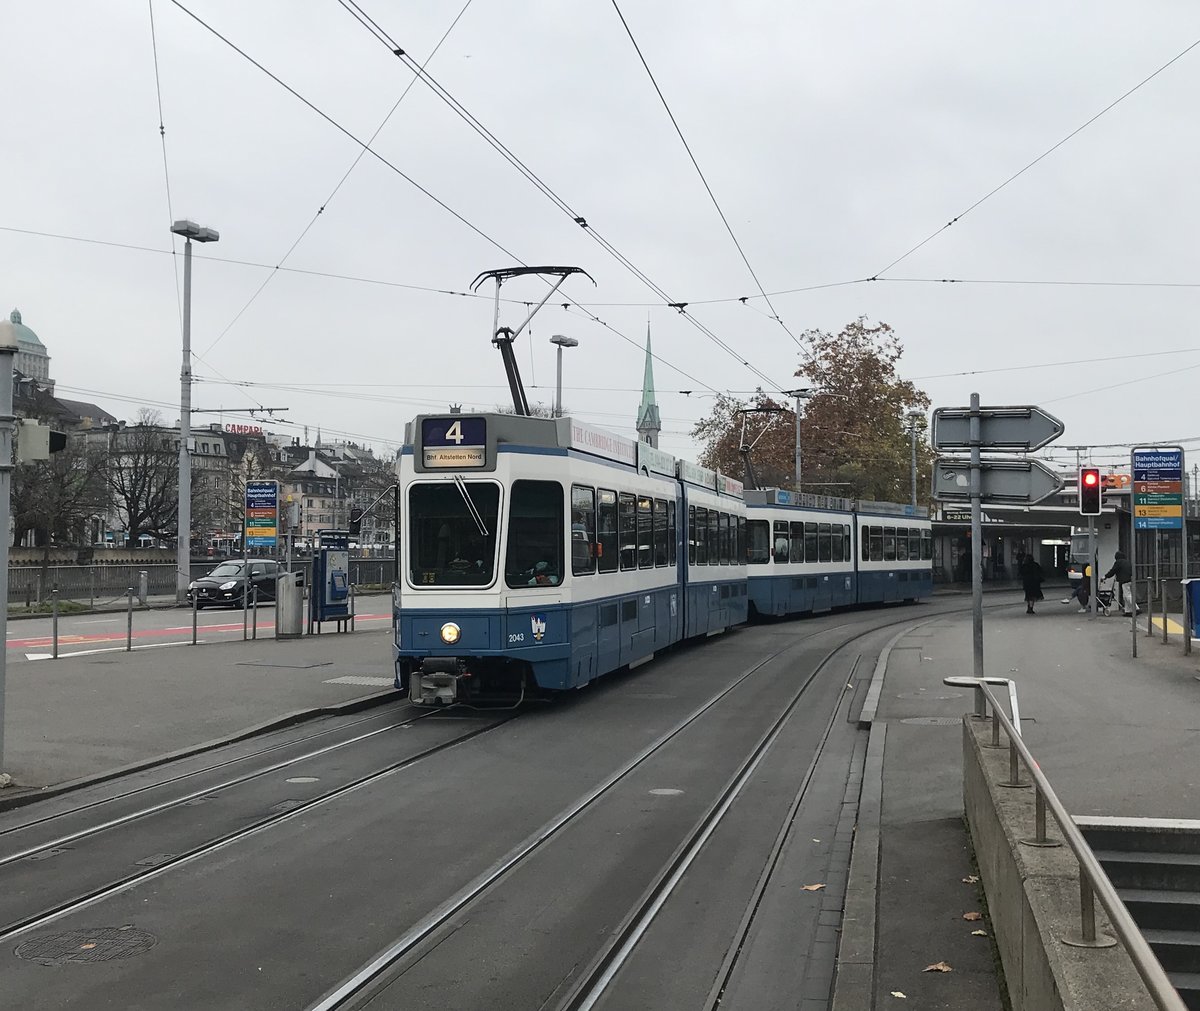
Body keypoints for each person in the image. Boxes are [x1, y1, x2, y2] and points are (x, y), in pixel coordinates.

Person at [1103, 550, 1136, 616]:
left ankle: (1136, 608)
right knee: (1125, 596)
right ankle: (1128, 611)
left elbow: (1113, 571)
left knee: (1127, 596)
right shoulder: (1127, 562)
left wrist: (1106, 576)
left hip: (1124, 581)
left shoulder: (1118, 562)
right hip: (1130, 580)